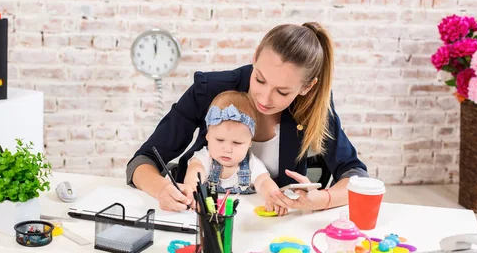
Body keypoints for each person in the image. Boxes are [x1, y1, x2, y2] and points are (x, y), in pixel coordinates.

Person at [126, 22, 368, 214]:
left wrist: (321, 200)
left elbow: (356, 174)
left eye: (282, 92)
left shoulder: (314, 107)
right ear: (255, 57)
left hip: (265, 220)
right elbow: (141, 162)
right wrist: (163, 190)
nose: (264, 97)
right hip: (195, 214)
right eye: (260, 79)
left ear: (307, 87)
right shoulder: (209, 89)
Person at [184, 91, 279, 203]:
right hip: (211, 215)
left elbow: (263, 181)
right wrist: (191, 189)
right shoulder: (205, 158)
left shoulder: (251, 164)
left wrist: (273, 196)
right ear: (208, 135)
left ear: (249, 142)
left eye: (237, 143)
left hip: (242, 216)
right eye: (220, 140)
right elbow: (195, 170)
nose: (227, 149)